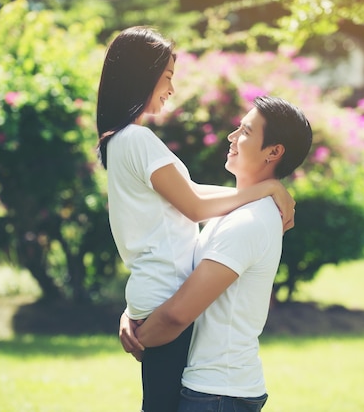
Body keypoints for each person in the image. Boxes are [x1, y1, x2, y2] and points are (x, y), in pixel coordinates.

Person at [96, 27, 297, 412]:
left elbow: (197, 193)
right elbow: (195, 206)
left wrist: (269, 190)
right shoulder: (137, 140)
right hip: (162, 296)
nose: (172, 88)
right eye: (168, 76)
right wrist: (269, 189)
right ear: (143, 75)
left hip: (152, 293)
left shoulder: (122, 141)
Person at [120, 95, 313, 411]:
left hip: (218, 394)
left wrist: (139, 335)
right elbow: (180, 269)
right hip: (207, 389)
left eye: (246, 132)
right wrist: (133, 313)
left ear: (274, 152)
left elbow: (177, 314)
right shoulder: (235, 210)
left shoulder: (250, 222)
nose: (232, 137)